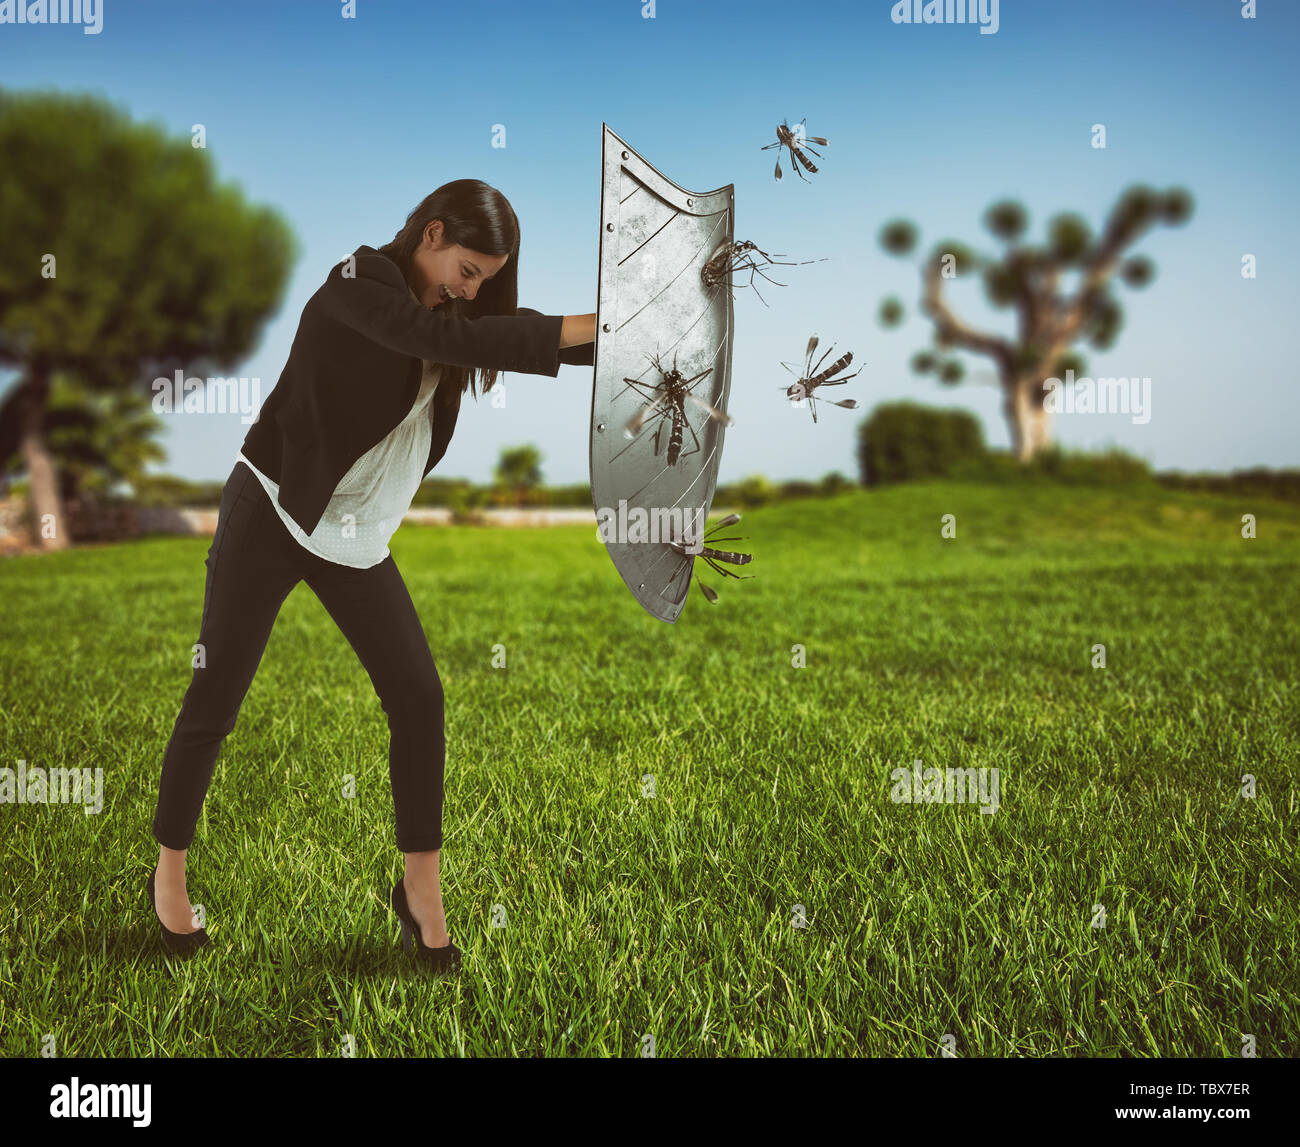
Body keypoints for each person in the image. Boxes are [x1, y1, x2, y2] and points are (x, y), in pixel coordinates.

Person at [147, 179, 596, 971]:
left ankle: (420, 890)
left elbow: (508, 337)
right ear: (430, 234)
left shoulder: (458, 316)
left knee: (419, 696)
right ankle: (169, 874)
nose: (472, 289)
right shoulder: (356, 286)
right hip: (276, 512)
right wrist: (584, 324)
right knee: (216, 695)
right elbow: (460, 342)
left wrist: (647, 337)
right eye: (467, 269)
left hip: (355, 536)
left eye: (485, 280)